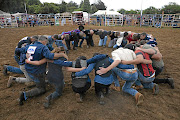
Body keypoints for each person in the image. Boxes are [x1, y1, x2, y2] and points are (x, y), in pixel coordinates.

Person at [16, 35, 68, 106]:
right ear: (44, 41)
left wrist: (25, 57)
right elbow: (49, 56)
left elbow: (18, 50)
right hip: (37, 71)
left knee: (41, 78)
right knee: (41, 89)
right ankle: (24, 94)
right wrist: (61, 54)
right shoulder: (43, 47)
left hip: (29, 68)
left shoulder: (30, 46)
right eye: (46, 43)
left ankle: (40, 82)